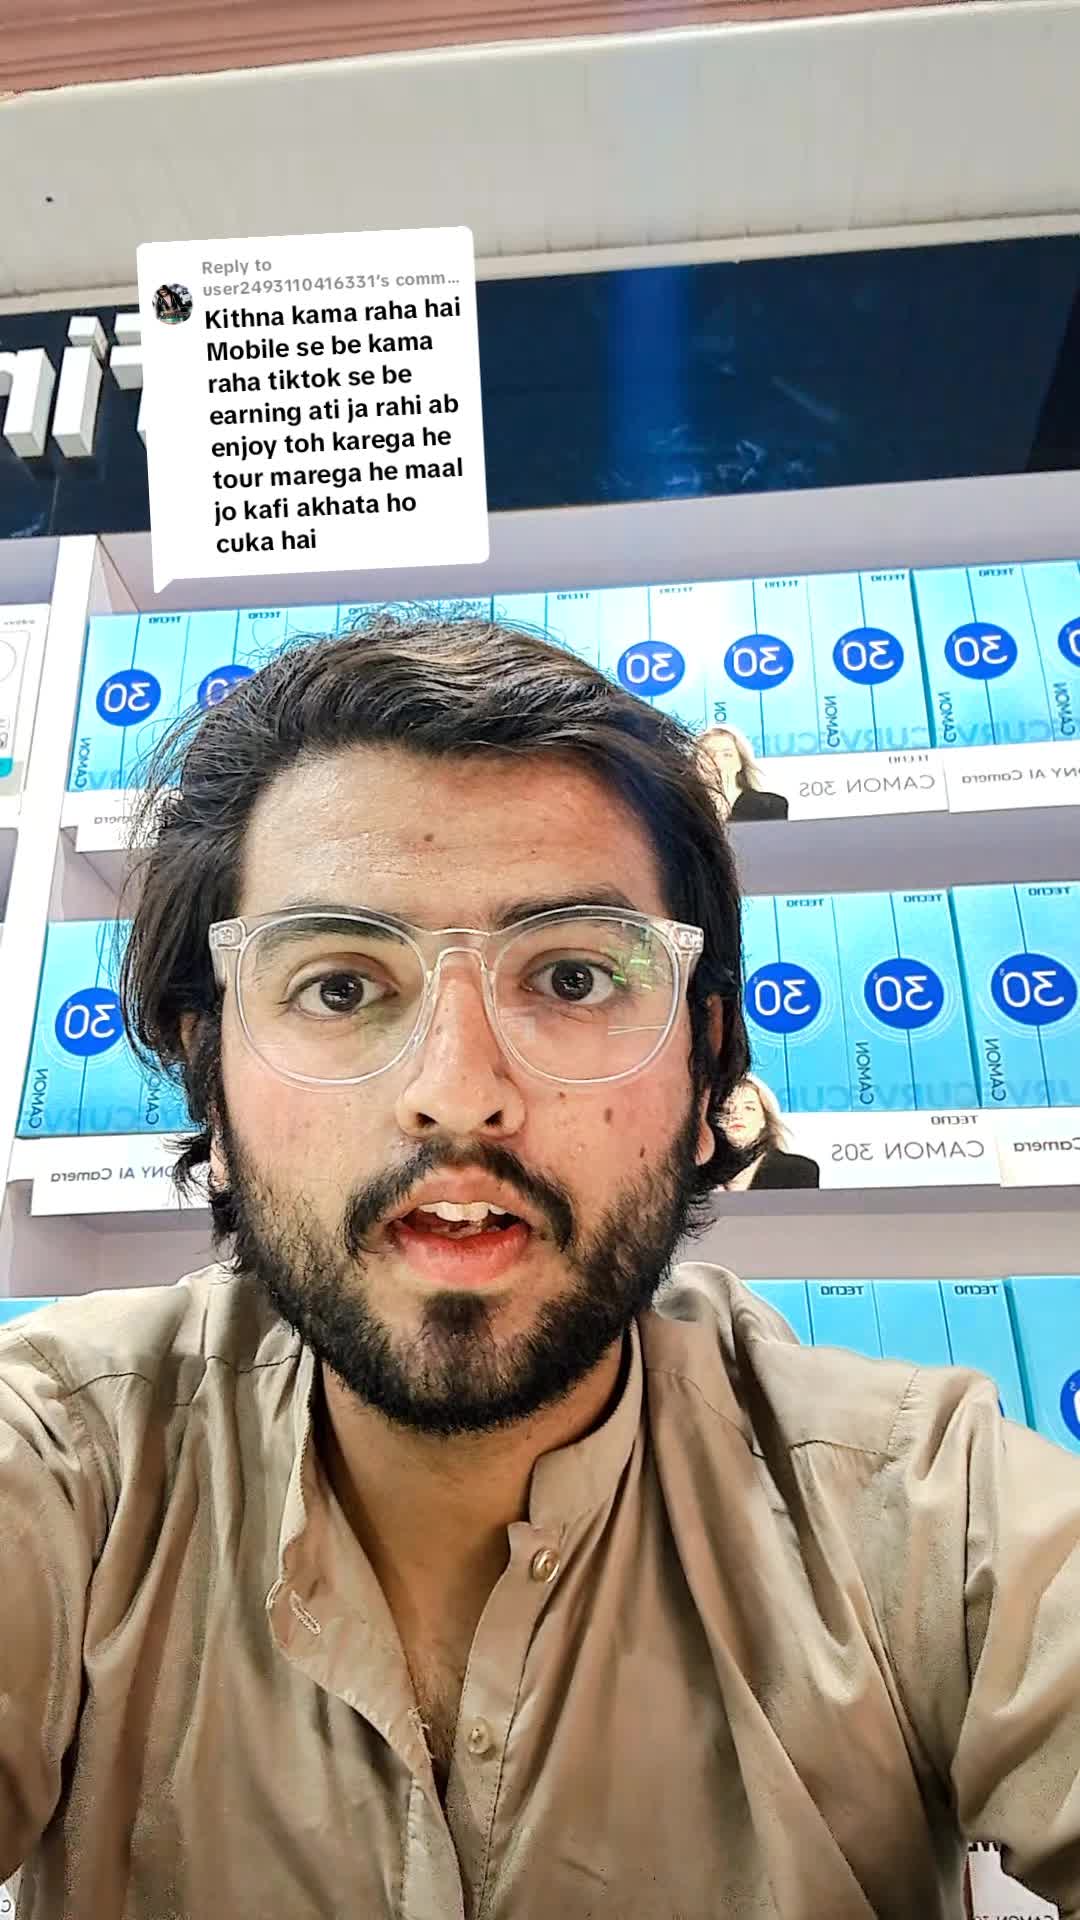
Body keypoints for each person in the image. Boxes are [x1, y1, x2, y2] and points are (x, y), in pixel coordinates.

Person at [1, 617, 1078, 1920]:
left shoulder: (928, 1517)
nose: (461, 1094)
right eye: (339, 987)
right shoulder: (65, 1467)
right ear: (210, 1084)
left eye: (572, 977)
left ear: (705, 1074)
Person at [720, 1073, 820, 1190]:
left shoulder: (799, 1170)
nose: (737, 1115)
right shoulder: (702, 1177)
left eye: (749, 1108)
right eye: (727, 1109)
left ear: (764, 1119)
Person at [696, 721, 789, 821]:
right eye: (708, 754)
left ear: (740, 764)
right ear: (696, 762)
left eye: (727, 755)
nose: (717, 760)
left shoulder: (770, 806)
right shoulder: (687, 810)